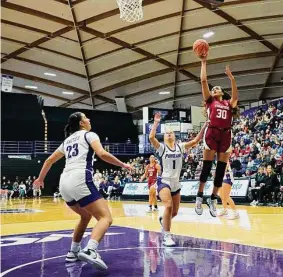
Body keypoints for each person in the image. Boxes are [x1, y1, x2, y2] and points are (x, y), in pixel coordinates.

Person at [33, 112, 132, 270]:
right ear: (81, 123)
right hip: (80, 179)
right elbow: (102, 154)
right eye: (86, 118)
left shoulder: (67, 141)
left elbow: (49, 160)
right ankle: (91, 249)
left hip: (64, 183)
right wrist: (123, 165)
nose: (89, 119)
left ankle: (73, 251)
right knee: (105, 218)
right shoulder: (89, 135)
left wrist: (40, 179)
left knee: (85, 216)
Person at [149, 112, 204, 246]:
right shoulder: (162, 148)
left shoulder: (180, 146)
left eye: (171, 132)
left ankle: (164, 220)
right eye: (167, 132)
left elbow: (196, 141)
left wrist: (204, 127)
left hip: (176, 183)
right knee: (168, 206)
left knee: (174, 212)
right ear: (164, 136)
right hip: (164, 182)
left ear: (174, 136)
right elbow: (151, 138)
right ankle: (167, 235)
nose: (169, 133)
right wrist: (156, 122)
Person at [195, 53, 239, 217]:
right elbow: (204, 81)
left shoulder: (229, 103)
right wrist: (204, 62)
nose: (214, 89)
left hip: (226, 134)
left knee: (220, 170)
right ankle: (199, 196)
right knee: (206, 167)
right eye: (213, 89)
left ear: (222, 93)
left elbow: (235, 96)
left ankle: (213, 198)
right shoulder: (210, 101)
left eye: (217, 88)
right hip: (212, 132)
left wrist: (231, 78)